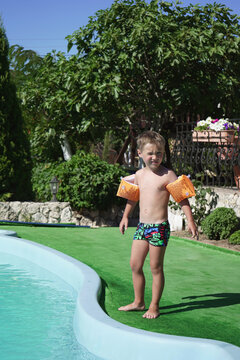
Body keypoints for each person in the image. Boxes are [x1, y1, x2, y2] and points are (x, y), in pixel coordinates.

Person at [118, 130, 198, 319]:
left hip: (159, 227)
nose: (155, 157)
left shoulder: (168, 175)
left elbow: (182, 199)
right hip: (142, 227)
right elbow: (132, 198)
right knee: (135, 265)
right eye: (150, 153)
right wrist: (125, 217)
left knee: (155, 267)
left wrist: (191, 222)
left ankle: (154, 306)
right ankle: (138, 302)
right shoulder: (138, 175)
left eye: (159, 153)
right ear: (140, 153)